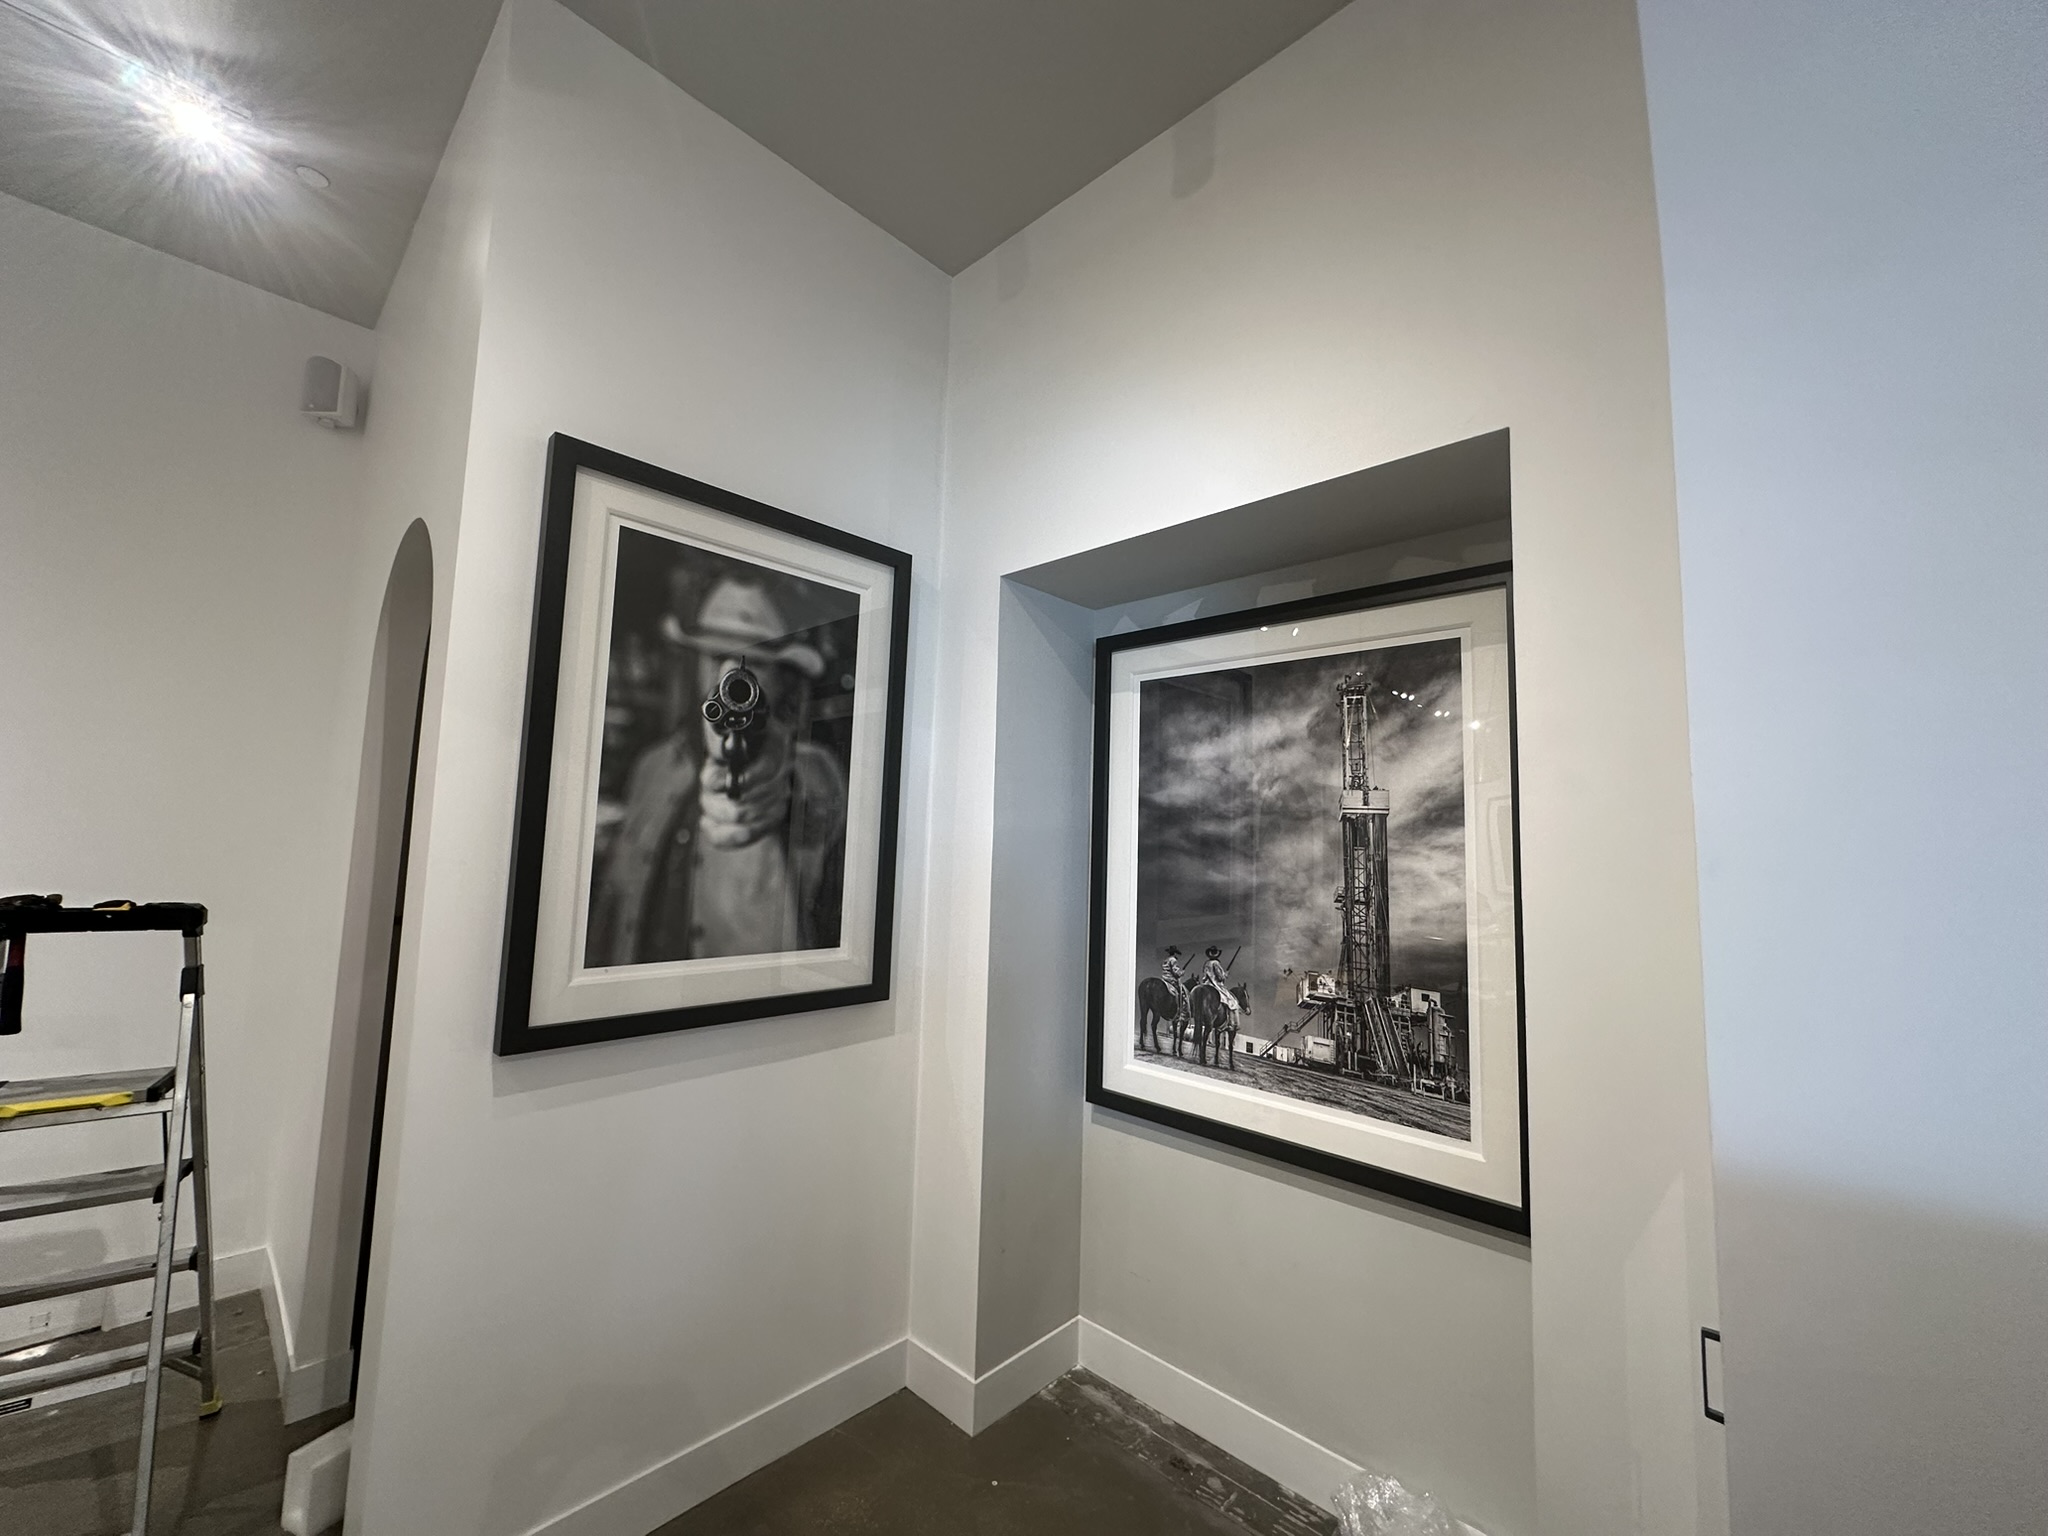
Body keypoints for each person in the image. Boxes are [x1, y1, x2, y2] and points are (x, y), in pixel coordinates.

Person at [587, 574, 847, 966]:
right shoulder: (652, 765)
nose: (728, 677)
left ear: (782, 678)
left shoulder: (812, 769)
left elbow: (796, 791)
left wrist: (768, 775)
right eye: (714, 656)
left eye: (753, 662)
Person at [1201, 945, 1242, 1015]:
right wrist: (1225, 975)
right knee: (1231, 1000)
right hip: (1215, 984)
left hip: (1205, 984)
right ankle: (1231, 1020)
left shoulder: (1206, 963)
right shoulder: (1216, 963)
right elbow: (1220, 977)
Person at [1161, 946, 1190, 1020]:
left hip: (1164, 979)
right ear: (1175, 953)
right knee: (1183, 994)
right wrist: (1182, 972)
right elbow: (1176, 972)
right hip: (1171, 980)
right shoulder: (1173, 960)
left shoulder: (1166, 960)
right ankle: (1181, 1013)